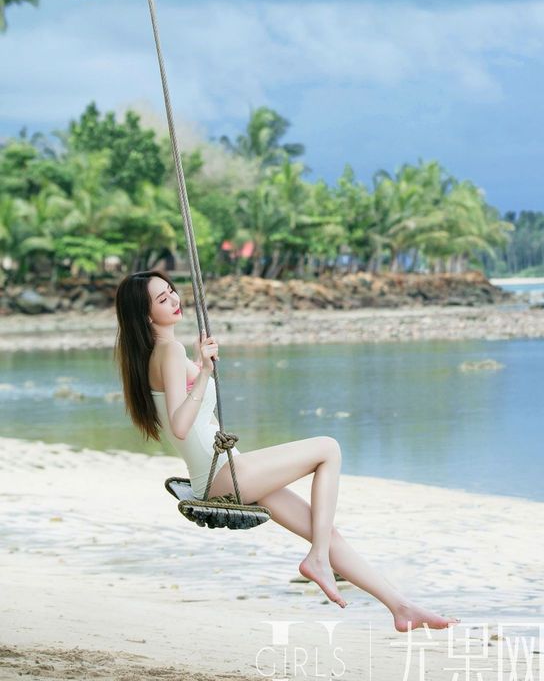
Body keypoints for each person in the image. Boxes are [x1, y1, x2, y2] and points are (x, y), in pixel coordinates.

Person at [114, 269, 460, 632]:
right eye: (162, 299)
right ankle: (318, 559)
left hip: (223, 474)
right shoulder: (169, 350)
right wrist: (202, 374)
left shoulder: (158, 353)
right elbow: (181, 425)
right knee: (328, 448)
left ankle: (400, 607)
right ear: (145, 314)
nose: (175, 300)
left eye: (172, 291)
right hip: (222, 478)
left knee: (323, 529)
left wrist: (201, 368)